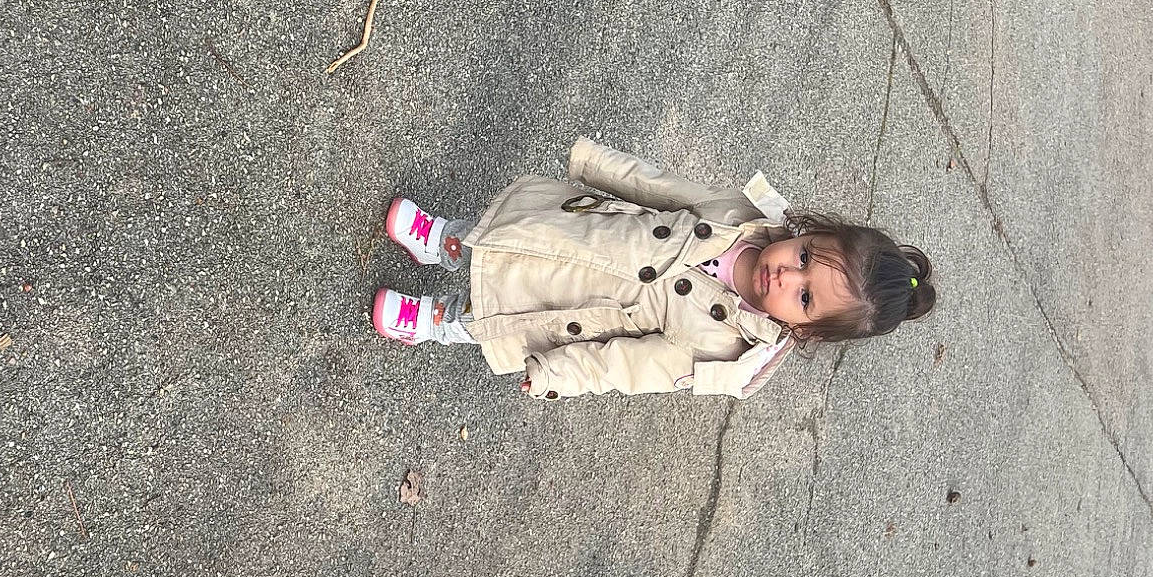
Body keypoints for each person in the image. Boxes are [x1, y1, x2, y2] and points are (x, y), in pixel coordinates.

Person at [369, 138, 934, 399]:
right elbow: (663, 188)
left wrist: (558, 375)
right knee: (507, 237)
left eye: (805, 297)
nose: (788, 276)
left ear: (805, 328)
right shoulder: (742, 217)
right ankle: (444, 240)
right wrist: (600, 166)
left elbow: (631, 367)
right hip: (588, 232)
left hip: (574, 311)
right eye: (806, 257)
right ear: (808, 230)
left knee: (500, 315)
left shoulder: (729, 352)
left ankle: (435, 320)